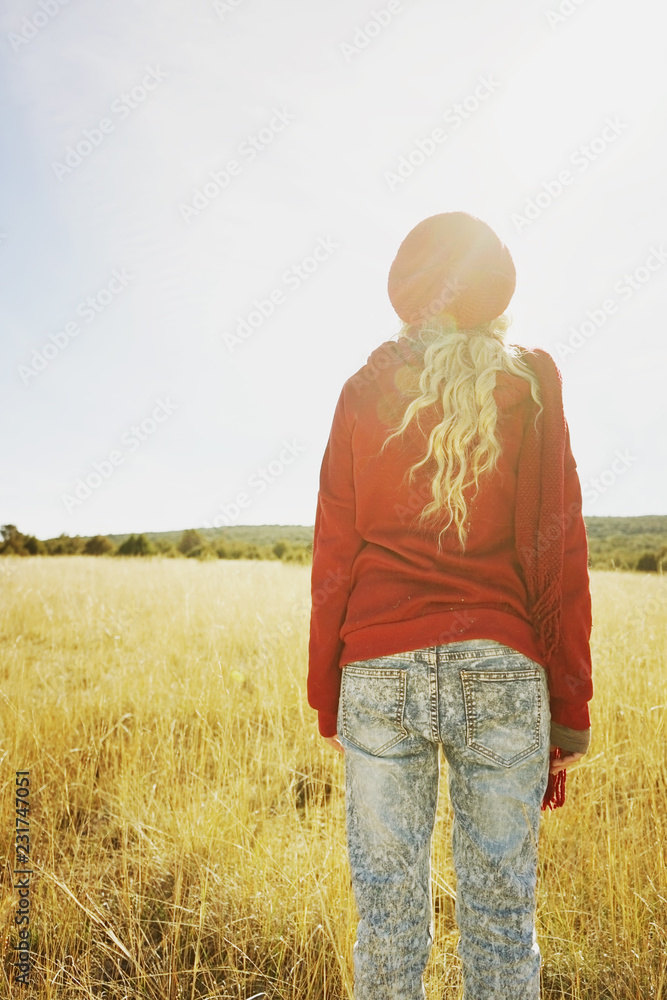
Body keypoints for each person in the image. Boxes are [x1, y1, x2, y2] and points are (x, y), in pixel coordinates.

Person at [306, 212, 593, 1000]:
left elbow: (332, 554)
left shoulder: (363, 390)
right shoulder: (529, 384)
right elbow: (561, 550)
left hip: (376, 670)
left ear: (405, 296)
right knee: (502, 923)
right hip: (501, 671)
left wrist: (326, 697)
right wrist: (568, 708)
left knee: (387, 921)